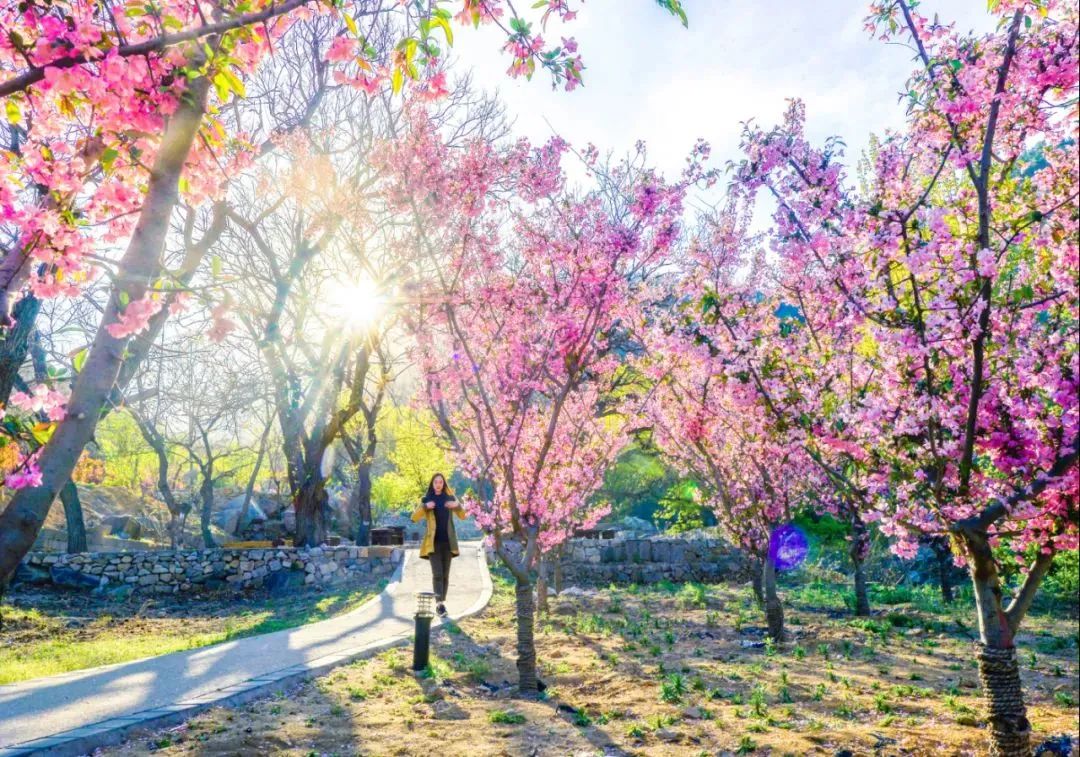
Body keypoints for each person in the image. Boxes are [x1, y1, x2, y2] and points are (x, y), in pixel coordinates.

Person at [411, 473, 466, 617]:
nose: (438, 484)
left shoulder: (450, 498)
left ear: (444, 483)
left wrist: (457, 505)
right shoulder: (427, 499)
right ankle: (439, 605)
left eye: (441, 482)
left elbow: (463, 516)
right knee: (437, 574)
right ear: (432, 483)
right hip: (433, 544)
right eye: (436, 482)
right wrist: (425, 506)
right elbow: (414, 517)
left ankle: (442, 602)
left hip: (448, 543)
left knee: (445, 575)